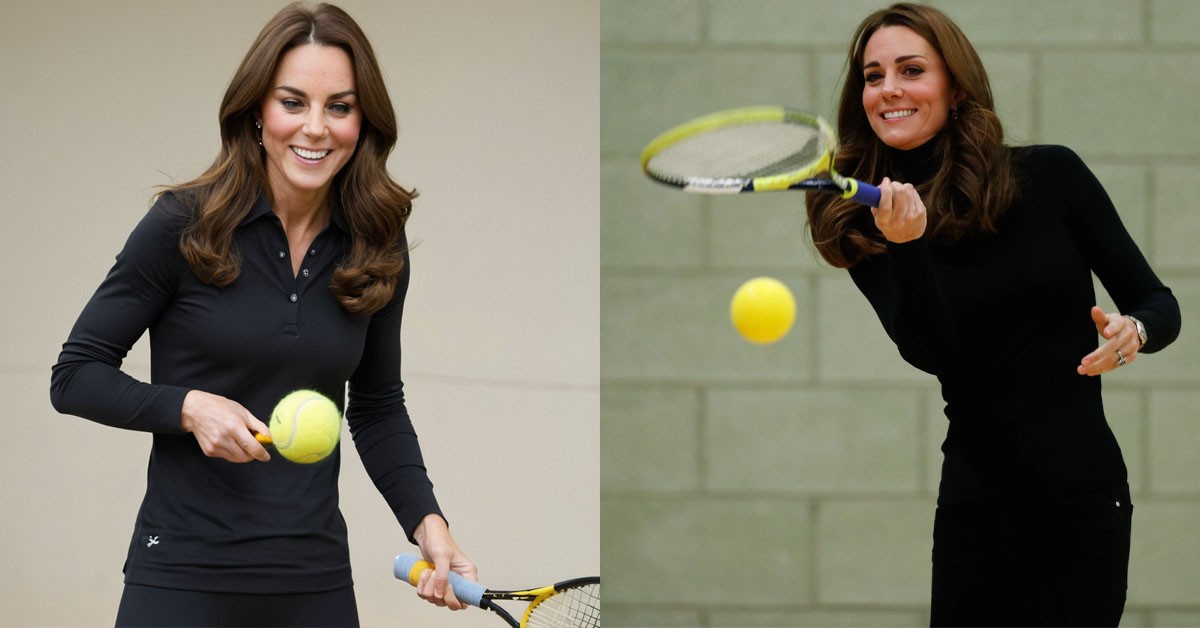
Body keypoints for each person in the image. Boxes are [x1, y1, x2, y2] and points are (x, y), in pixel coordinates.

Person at [49, 3, 474, 626]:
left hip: (314, 578)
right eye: (293, 102)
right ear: (256, 112)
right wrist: (187, 407)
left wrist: (429, 526)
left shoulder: (376, 244)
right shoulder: (181, 225)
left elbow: (378, 405)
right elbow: (75, 374)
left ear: (364, 121)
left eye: (339, 106)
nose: (315, 129)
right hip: (181, 573)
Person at [805, 3, 1180, 626]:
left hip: (1083, 501)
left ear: (954, 86)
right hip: (975, 508)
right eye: (872, 76)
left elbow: (1159, 302)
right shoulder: (861, 218)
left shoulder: (1051, 175)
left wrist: (1132, 330)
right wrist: (907, 246)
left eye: (911, 69)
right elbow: (932, 351)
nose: (889, 89)